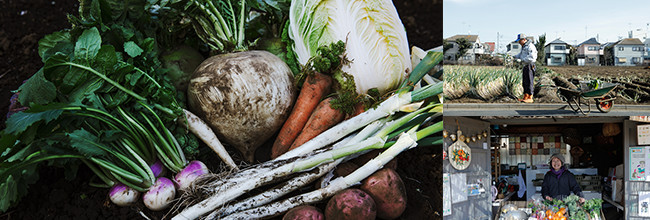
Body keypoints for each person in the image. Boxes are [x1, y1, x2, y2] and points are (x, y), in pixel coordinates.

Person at [512, 33, 537, 103]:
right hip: (525, 66)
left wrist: (522, 60)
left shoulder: (530, 46)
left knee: (529, 81)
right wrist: (514, 56)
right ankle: (525, 96)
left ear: (524, 39)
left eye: (520, 41)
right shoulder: (524, 47)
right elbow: (520, 55)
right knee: (525, 82)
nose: (519, 42)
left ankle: (530, 97)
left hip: (530, 65)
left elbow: (532, 58)